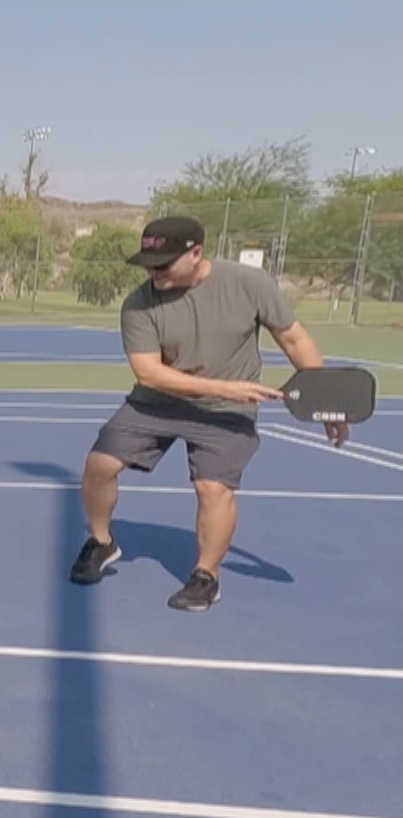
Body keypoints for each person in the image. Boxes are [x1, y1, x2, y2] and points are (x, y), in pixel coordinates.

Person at [69, 216, 348, 611]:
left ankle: (206, 576)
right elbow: (148, 372)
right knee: (99, 464)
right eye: (148, 263)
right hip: (159, 400)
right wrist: (227, 387)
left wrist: (326, 398)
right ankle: (101, 542)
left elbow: (293, 337)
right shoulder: (139, 304)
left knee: (212, 488)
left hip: (225, 411)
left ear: (195, 253)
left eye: (164, 264)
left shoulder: (249, 284)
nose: (154, 272)